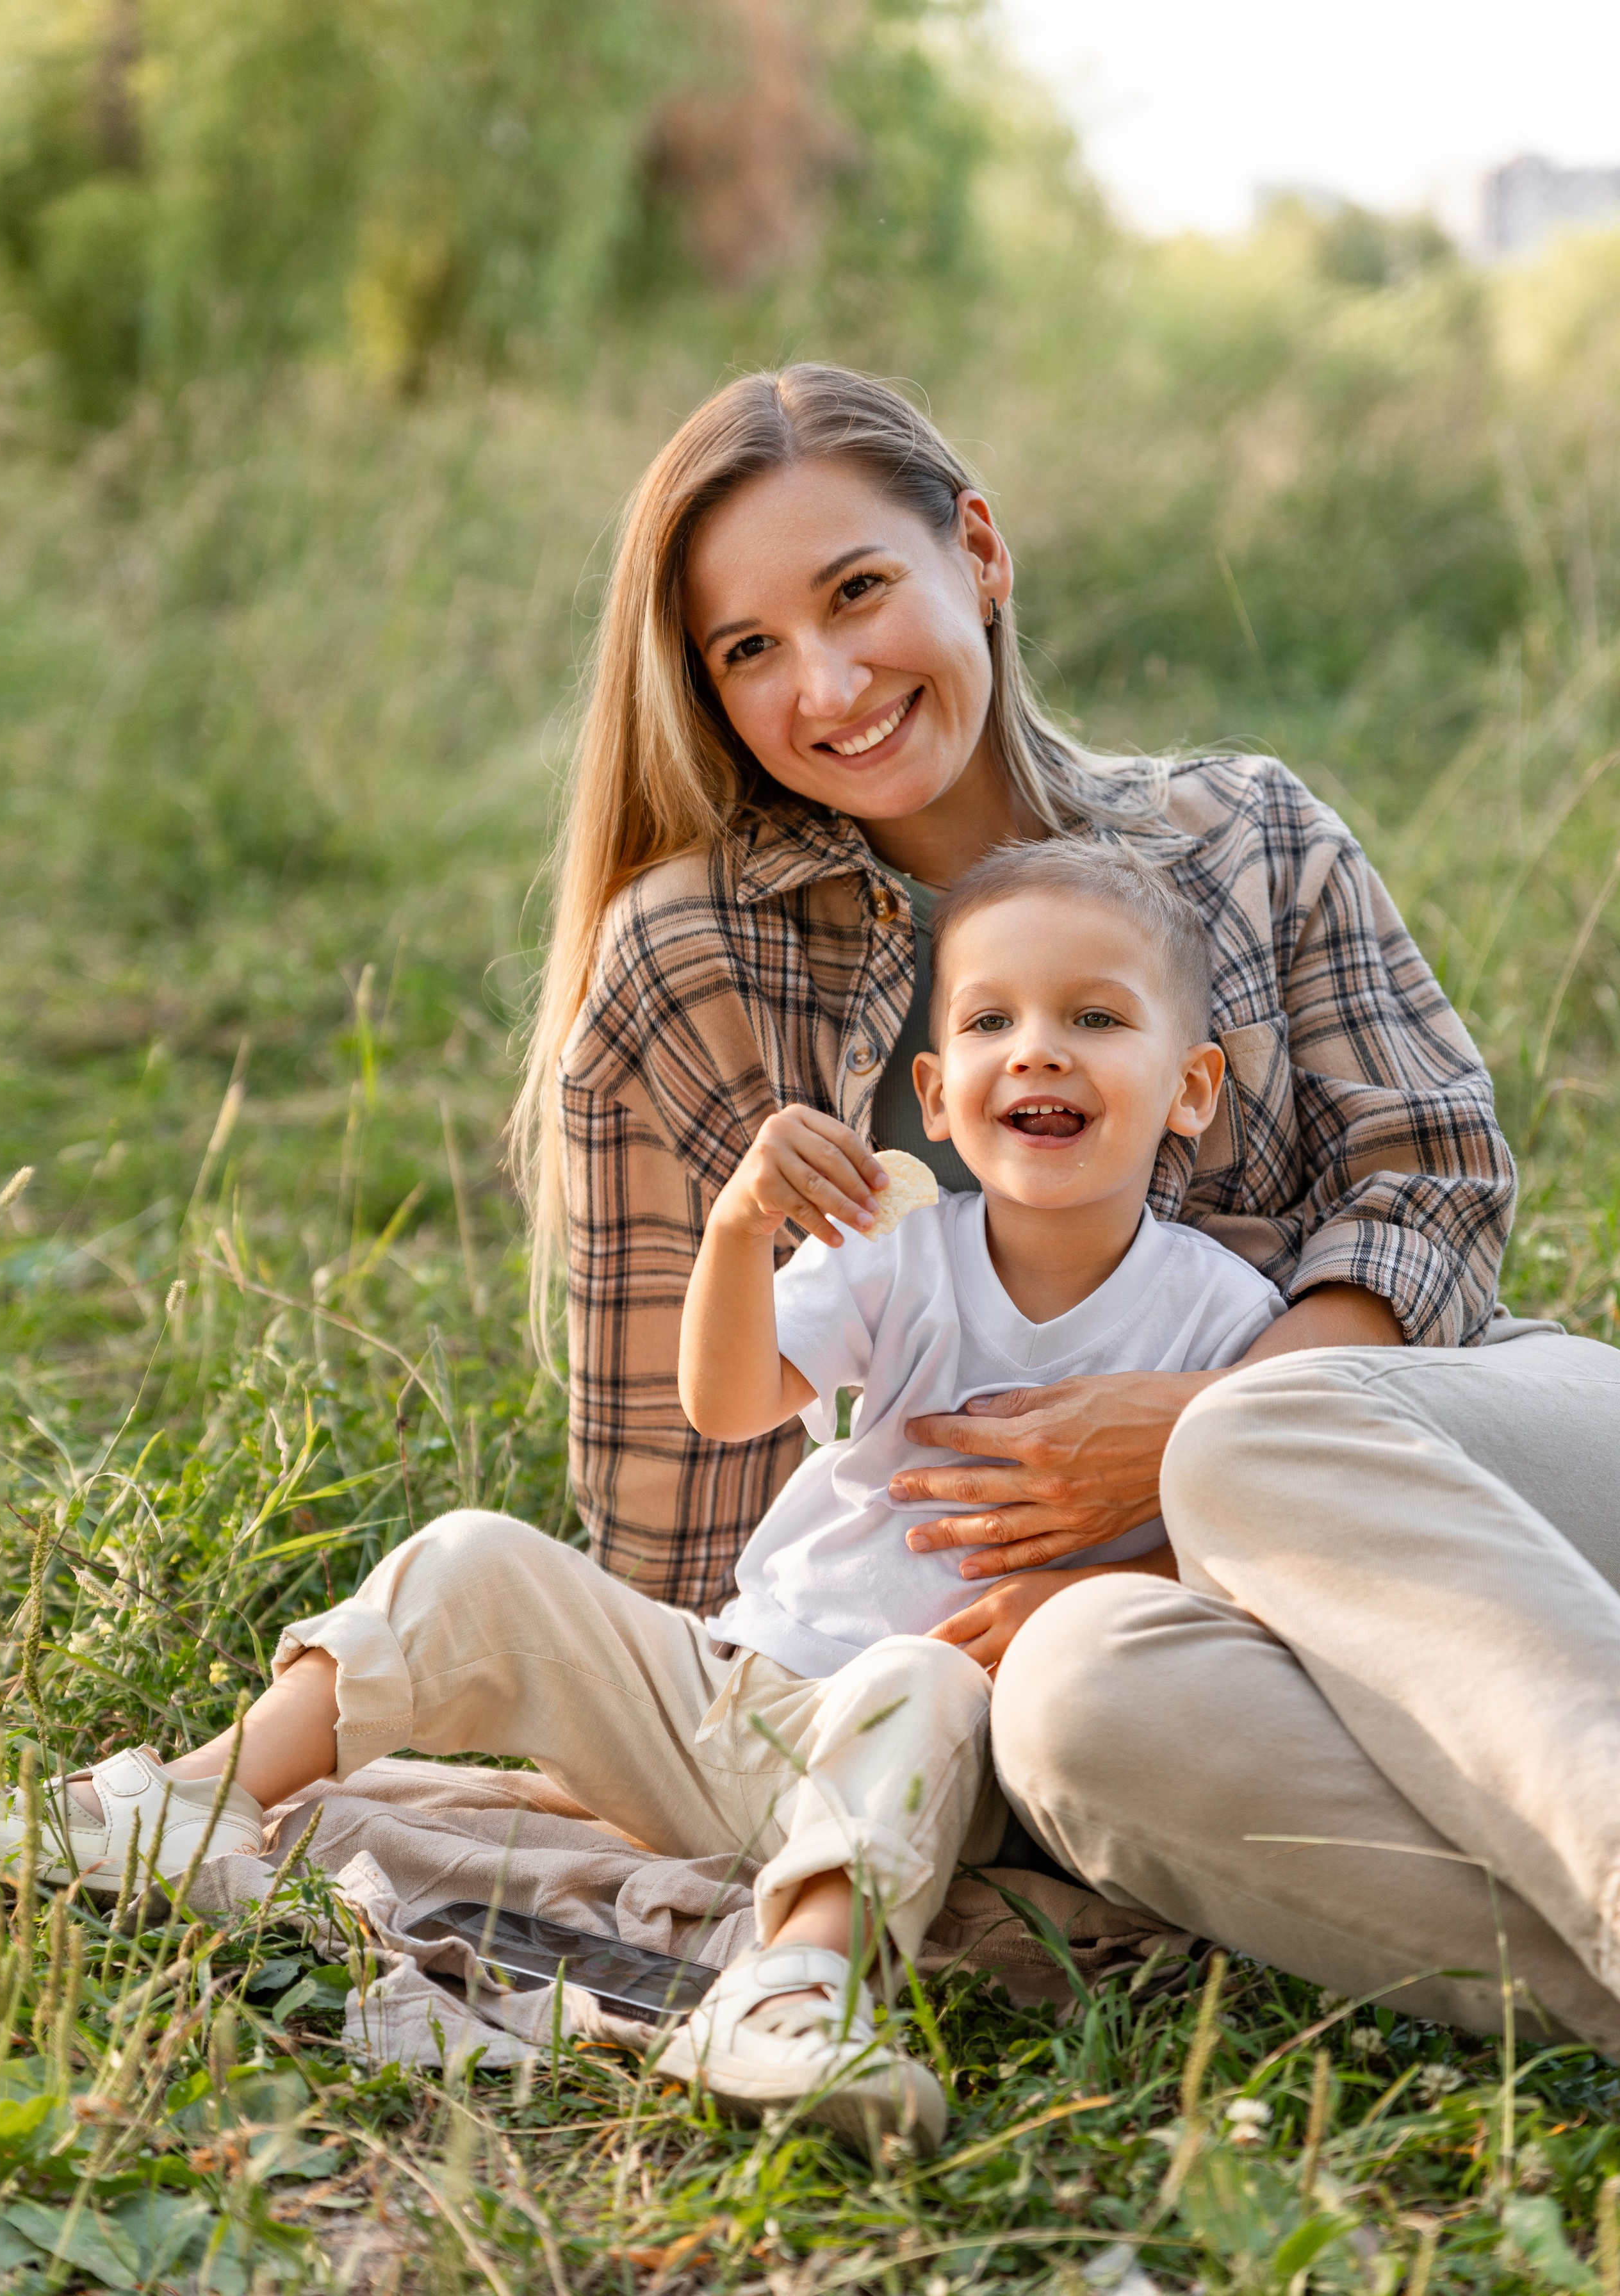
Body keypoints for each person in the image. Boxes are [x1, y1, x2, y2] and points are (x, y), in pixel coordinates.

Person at [510, 361, 1620, 2044]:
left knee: (1253, 1441)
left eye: (860, 590)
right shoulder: (691, 966)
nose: (827, 682)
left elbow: (1432, 1185)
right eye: (747, 650)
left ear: (980, 554)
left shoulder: (1243, 836)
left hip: (1467, 1512)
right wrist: (788, 1764)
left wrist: (1184, 1452)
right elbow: (677, 1507)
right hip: (1130, 1650)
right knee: (1071, 1715)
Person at [0, 841, 1275, 2160]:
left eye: (1094, 1018)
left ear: (1187, 1088)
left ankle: (792, 1991)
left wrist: (1089, 1588)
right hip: (726, 1699)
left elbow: (1256, 1540)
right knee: (477, 1559)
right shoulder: (899, 1251)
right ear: (936, 1097)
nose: (1040, 1051)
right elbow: (727, 1401)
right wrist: (736, 1230)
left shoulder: (1222, 1318)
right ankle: (185, 1805)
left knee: (922, 1680)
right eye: (993, 1020)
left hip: (931, 1754)